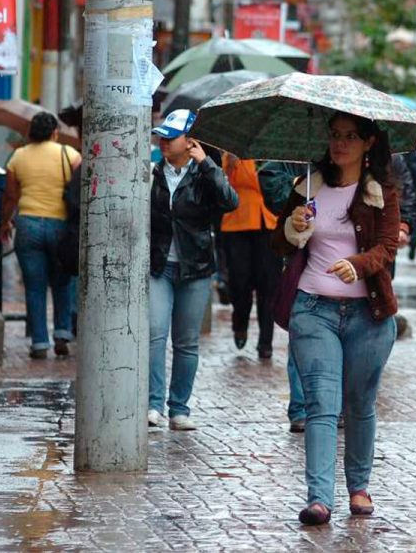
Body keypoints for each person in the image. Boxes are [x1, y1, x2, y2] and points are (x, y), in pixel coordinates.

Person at [272, 113, 400, 526]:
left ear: (367, 144)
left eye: (349, 137)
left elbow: (386, 248)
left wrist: (357, 265)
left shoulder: (381, 191)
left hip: (369, 315)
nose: (339, 144)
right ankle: (319, 499)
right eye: (334, 136)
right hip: (313, 309)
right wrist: (293, 228)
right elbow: (279, 243)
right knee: (320, 405)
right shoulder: (308, 186)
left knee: (359, 404)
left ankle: (358, 486)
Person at [148, 109, 239, 430]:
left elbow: (231, 202)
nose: (164, 143)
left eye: (171, 138)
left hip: (196, 268)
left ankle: (179, 409)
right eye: (162, 137)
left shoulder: (204, 175)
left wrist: (208, 164)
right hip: (159, 266)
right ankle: (153, 404)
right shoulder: (152, 172)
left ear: (190, 142)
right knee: (155, 335)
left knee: (186, 343)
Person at [0, 112, 81, 359]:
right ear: (55, 132)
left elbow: (11, 196)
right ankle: (63, 333)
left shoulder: (18, 157)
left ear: (30, 132)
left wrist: (4, 223)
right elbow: (79, 189)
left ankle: (39, 342)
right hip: (61, 227)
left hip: (28, 225)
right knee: (62, 283)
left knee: (34, 288)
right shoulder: (70, 155)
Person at [221, 155, 282, 359]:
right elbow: (222, 184)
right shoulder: (233, 154)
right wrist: (229, 164)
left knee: (269, 284)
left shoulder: (274, 156)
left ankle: (266, 341)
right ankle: (240, 323)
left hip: (269, 223)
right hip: (237, 222)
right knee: (239, 281)